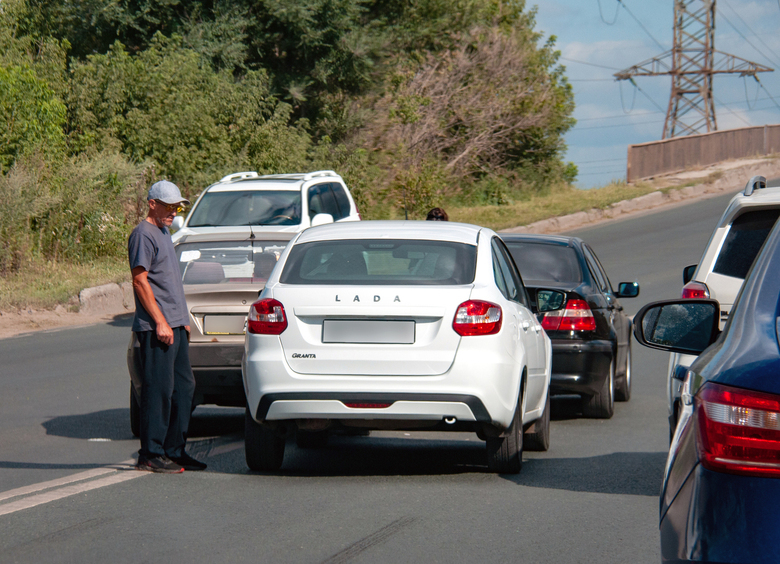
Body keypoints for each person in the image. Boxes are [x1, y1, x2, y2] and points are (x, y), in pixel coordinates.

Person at [128, 180, 206, 473]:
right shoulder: (143, 234)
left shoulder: (163, 232)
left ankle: (174, 449)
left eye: (177, 206)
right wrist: (160, 320)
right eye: (169, 206)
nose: (174, 211)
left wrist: (182, 320)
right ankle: (151, 453)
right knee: (158, 390)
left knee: (184, 388)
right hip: (156, 326)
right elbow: (140, 280)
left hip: (175, 324)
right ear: (152, 203)